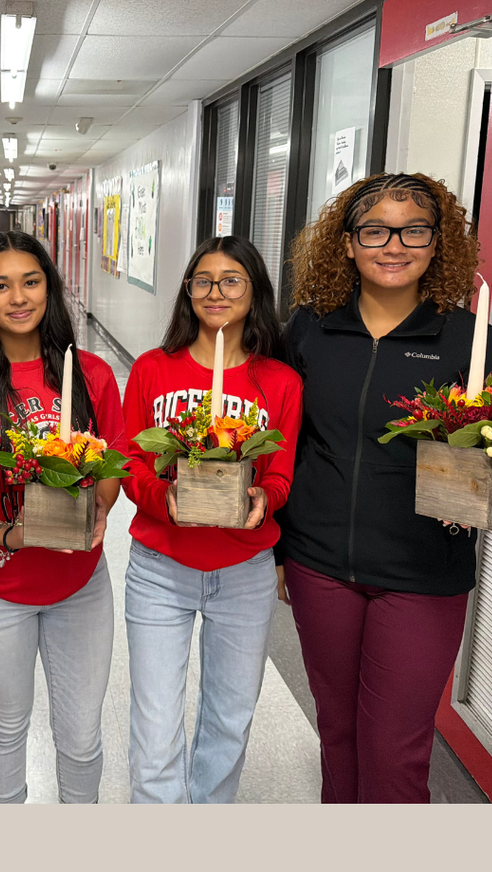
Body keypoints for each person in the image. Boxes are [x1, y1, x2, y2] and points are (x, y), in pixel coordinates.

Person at [278, 171, 492, 804]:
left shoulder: (469, 342)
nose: (394, 245)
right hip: (319, 564)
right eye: (375, 229)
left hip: (421, 574)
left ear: (439, 244)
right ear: (348, 243)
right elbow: (285, 443)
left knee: (396, 749)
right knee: (338, 733)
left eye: (415, 230)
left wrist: (482, 482)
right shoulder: (310, 329)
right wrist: (280, 552)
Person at [0, 230, 125, 804]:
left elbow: (113, 464)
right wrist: (8, 533)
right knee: (6, 729)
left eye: (31, 281)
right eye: (0, 285)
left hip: (80, 587)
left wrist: (100, 505)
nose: (18, 297)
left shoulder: (91, 375)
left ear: (50, 288)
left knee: (83, 739)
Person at [121, 235, 303, 803]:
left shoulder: (280, 381)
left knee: (229, 722)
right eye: (203, 280)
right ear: (187, 290)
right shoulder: (153, 368)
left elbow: (280, 474)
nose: (216, 292)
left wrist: (263, 502)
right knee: (155, 730)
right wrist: (161, 498)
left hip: (244, 572)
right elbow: (129, 458)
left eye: (231, 281)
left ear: (255, 292)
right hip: (159, 569)